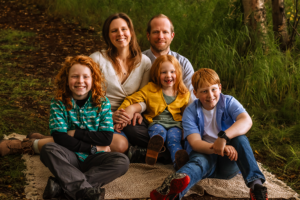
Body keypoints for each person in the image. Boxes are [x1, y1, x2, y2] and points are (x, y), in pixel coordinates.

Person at [0, 55, 130, 200]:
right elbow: (60, 138)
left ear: (93, 80)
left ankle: (62, 187)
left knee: (122, 161)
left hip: (95, 159)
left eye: (86, 77)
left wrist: (76, 133)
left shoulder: (102, 102)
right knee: (49, 149)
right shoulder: (59, 102)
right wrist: (93, 147)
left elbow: (106, 138)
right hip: (69, 156)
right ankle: (83, 191)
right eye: (75, 76)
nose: (80, 81)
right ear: (66, 80)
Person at [150, 68, 268, 200]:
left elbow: (246, 120)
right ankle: (170, 191)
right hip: (205, 154)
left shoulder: (228, 101)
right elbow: (195, 143)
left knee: (240, 139)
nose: (210, 95)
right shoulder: (191, 111)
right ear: (195, 93)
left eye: (213, 89)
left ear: (220, 88)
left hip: (229, 159)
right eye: (204, 91)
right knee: (198, 162)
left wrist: (223, 138)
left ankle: (256, 187)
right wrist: (218, 148)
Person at [122, 14, 195, 162]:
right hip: (147, 119)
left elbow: (189, 100)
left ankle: (149, 153)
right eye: (155, 32)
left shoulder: (183, 63)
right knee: (131, 127)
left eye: (165, 32)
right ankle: (174, 154)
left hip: (177, 122)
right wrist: (136, 109)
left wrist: (187, 125)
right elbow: (133, 94)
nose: (160, 36)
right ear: (148, 35)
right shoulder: (137, 61)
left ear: (172, 35)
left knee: (190, 130)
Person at [89, 13, 152, 154]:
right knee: (121, 146)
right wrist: (110, 115)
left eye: (124, 29)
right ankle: (60, 139)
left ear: (131, 32)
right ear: (108, 35)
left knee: (134, 137)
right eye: (114, 30)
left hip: (127, 119)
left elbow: (145, 98)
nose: (120, 34)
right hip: (100, 116)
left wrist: (133, 109)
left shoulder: (144, 62)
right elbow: (87, 98)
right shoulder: (96, 59)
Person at [115, 55, 190, 169]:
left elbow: (188, 114)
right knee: (159, 135)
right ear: (156, 74)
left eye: (172, 72)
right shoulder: (151, 89)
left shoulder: (183, 93)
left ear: (178, 73)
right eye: (163, 72)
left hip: (175, 125)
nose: (168, 75)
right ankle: (153, 150)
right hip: (156, 124)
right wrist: (123, 113)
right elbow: (131, 99)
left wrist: (186, 128)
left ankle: (178, 161)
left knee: (174, 140)